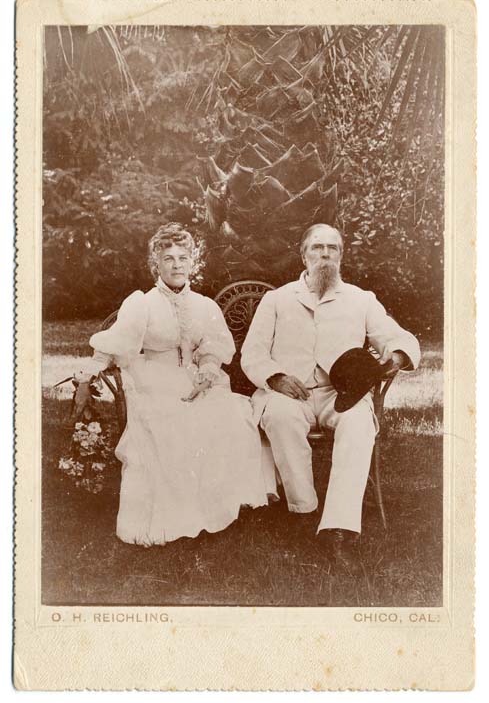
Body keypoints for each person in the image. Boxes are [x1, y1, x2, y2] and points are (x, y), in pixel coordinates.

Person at [240, 223, 420, 569]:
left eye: (332, 248)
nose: (324, 254)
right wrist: (275, 377)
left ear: (341, 256)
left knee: (358, 425)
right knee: (280, 417)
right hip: (289, 392)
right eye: (317, 248)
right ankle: (304, 511)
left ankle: (338, 530)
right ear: (303, 255)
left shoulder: (361, 299)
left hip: (343, 394)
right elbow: (252, 354)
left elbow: (402, 339)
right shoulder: (277, 299)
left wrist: (394, 356)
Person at [82, 222, 270, 546]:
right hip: (153, 376)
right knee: (172, 423)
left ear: (192, 262)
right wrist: (88, 375)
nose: (177, 264)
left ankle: (217, 506)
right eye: (168, 258)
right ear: (156, 263)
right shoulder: (142, 304)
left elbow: (214, 349)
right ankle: (181, 516)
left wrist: (207, 372)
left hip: (196, 378)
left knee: (233, 416)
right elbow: (115, 343)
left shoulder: (205, 306)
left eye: (183, 257)